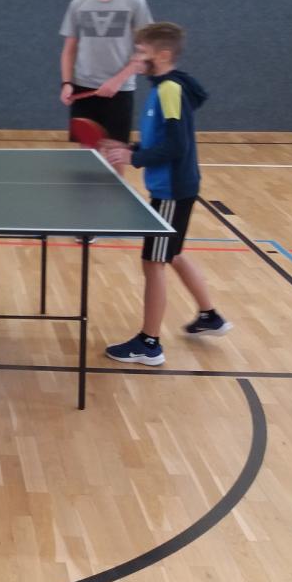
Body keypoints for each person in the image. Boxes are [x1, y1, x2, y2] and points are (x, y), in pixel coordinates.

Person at [102, 22, 230, 365]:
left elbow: (176, 145)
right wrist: (131, 148)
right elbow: (161, 139)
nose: (136, 58)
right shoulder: (164, 88)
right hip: (174, 186)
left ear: (162, 55)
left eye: (141, 52)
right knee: (172, 253)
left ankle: (149, 343)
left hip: (171, 190)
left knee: (153, 261)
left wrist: (135, 158)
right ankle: (210, 316)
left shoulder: (170, 90)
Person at [58, 0, 153, 168]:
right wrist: (67, 83)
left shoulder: (135, 2)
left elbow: (145, 51)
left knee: (115, 157)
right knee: (86, 159)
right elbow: (69, 49)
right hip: (84, 90)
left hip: (119, 92)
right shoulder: (78, 4)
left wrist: (118, 80)